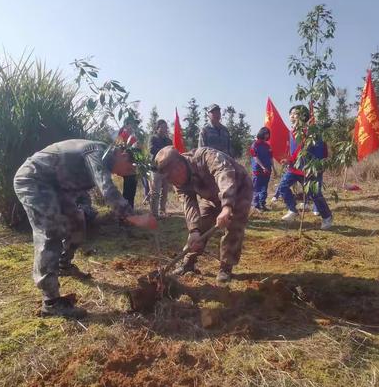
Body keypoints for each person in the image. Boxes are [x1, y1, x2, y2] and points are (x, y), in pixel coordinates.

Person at [14, 140, 157, 319]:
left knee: (77, 222)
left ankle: (63, 265)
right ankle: (50, 303)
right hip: (34, 180)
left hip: (57, 188)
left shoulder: (103, 157)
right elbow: (106, 188)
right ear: (122, 153)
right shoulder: (96, 152)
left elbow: (78, 188)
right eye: (130, 167)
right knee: (51, 233)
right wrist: (133, 216)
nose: (129, 173)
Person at [154, 146, 253, 282]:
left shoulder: (205, 156)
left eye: (171, 177)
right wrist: (193, 230)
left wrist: (227, 206)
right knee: (200, 226)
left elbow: (224, 173)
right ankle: (187, 264)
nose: (172, 182)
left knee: (234, 226)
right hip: (210, 196)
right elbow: (189, 204)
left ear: (179, 167)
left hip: (238, 190)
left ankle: (226, 267)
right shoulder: (178, 182)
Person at [278, 105, 333, 230]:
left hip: (310, 168)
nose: (292, 116)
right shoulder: (291, 131)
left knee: (315, 194)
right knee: (282, 186)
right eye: (290, 113)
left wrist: (317, 167)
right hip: (295, 168)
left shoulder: (312, 131)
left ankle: (327, 217)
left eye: (295, 113)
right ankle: (293, 210)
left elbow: (319, 149)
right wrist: (289, 160)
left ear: (303, 116)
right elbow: (294, 151)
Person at [149, 119, 172, 217]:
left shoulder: (168, 140)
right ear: (157, 128)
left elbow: (172, 151)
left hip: (166, 169)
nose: (164, 129)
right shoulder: (153, 138)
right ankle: (154, 214)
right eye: (162, 127)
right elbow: (151, 150)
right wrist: (164, 152)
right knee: (155, 192)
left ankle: (162, 211)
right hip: (156, 169)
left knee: (165, 192)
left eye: (165, 127)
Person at [250, 126, 274, 211]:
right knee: (256, 188)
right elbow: (255, 157)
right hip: (258, 170)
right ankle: (255, 205)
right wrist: (263, 167)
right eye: (266, 133)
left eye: (268, 134)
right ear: (262, 133)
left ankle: (262, 204)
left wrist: (273, 168)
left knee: (264, 188)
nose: (267, 135)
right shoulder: (255, 144)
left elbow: (271, 157)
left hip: (267, 170)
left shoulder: (268, 145)